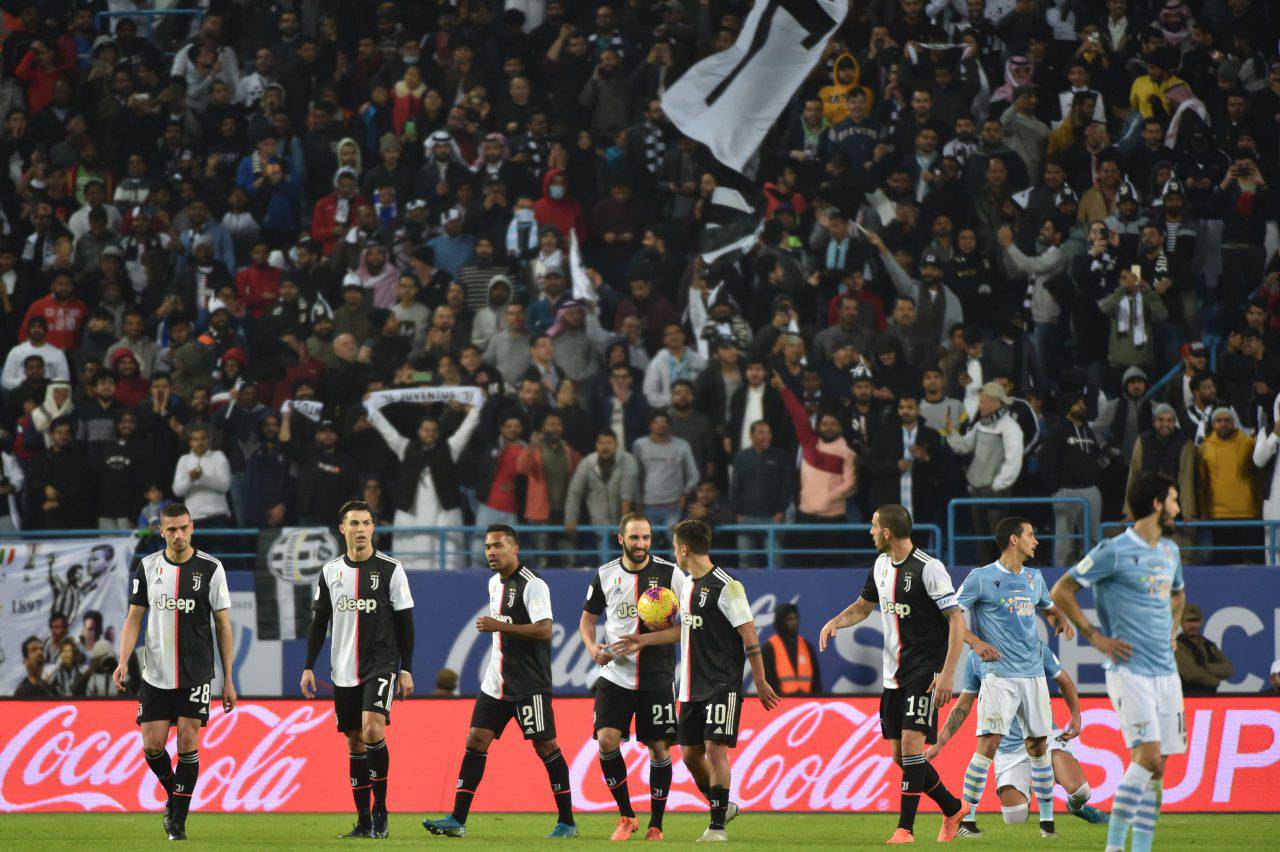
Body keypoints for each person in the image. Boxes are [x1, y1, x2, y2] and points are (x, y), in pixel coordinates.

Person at [611, 519, 780, 842]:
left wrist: (759, 680)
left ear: (684, 549)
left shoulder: (728, 586)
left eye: (675, 546)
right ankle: (723, 805)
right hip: (689, 687)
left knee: (716, 750)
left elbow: (750, 636)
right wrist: (642, 641)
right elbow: (683, 632)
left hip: (722, 685)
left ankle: (716, 825)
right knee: (690, 755)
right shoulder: (687, 586)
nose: (674, 552)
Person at [1051, 472, 1187, 852]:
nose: (1178, 508)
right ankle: (1114, 848)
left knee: (1158, 769)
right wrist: (1095, 636)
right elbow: (1061, 590)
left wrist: (1173, 630)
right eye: (1174, 500)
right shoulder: (1113, 550)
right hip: (1129, 670)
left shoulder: (1170, 553)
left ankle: (1140, 848)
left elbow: (1177, 596)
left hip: (1166, 672)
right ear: (1157, 504)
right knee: (1146, 759)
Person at [817, 504, 967, 844]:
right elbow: (862, 606)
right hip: (893, 675)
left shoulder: (930, 569)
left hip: (925, 670)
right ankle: (953, 807)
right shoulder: (881, 565)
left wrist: (946, 673)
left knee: (913, 747)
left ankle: (905, 829)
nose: (870, 531)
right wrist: (834, 622)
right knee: (901, 757)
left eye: (873, 526)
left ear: (887, 532)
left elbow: (956, 619)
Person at [424, 525, 577, 838]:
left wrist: (499, 626)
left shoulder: (534, 586)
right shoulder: (494, 584)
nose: (491, 552)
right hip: (496, 682)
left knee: (545, 745)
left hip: (529, 683)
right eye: (487, 547)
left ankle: (567, 822)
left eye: (498, 546)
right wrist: (500, 628)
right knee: (475, 740)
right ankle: (457, 819)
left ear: (515, 548)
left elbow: (545, 630)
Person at [113, 504, 236, 841]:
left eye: (183, 528)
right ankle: (175, 798)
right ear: (161, 531)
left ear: (192, 527)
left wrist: (228, 677)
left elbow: (223, 625)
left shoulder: (211, 568)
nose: (178, 535)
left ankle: (177, 821)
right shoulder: (148, 566)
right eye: (171, 530)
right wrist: (123, 660)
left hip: (196, 673)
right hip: (155, 672)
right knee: (152, 745)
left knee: (186, 738)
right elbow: (133, 618)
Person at [953, 517, 1076, 838]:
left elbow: (1048, 608)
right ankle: (965, 819)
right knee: (989, 743)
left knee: (1037, 745)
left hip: (1033, 676)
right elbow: (952, 617)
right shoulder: (981, 578)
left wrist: (1059, 620)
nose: (1036, 541)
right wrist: (976, 642)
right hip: (999, 676)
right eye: (1031, 535)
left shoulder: (1035, 578)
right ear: (1013, 540)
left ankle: (1047, 825)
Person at [301, 500, 415, 839]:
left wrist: (405, 669)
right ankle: (364, 821)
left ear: (373, 528)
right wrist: (308, 666)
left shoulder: (391, 569)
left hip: (380, 663)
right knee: (354, 742)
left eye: (366, 523)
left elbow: (405, 623)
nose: (361, 529)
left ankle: (381, 810)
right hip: (343, 669)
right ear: (343, 529)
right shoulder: (330, 572)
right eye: (354, 524)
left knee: (372, 730)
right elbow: (319, 622)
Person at [579, 514, 686, 841]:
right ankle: (626, 816)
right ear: (620, 539)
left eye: (646, 538)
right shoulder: (605, 575)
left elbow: (687, 629)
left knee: (658, 747)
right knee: (607, 740)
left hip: (656, 676)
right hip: (614, 676)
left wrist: (644, 640)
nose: (641, 544)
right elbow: (587, 621)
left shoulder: (671, 575)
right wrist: (591, 647)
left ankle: (656, 824)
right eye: (635, 538)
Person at [928, 644, 1109, 835]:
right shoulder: (976, 657)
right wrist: (939, 743)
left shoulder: (1035, 647)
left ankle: (1076, 807)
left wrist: (1076, 714)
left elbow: (1064, 680)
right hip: (1009, 750)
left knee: (1081, 792)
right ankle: (1026, 787)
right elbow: (963, 706)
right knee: (1015, 817)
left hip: (1044, 738)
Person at [367, 395, 480, 570]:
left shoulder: (450, 448)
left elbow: (466, 429)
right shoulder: (405, 447)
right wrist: (371, 409)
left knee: (445, 559)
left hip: (443, 514)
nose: (430, 434)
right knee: (412, 559)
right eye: (426, 430)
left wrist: (476, 408)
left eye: (434, 430)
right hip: (412, 514)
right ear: (419, 431)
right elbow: (387, 431)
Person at [1174, 603, 1234, 695]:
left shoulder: (1209, 645)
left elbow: (1229, 669)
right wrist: (1215, 681)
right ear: (1181, 622)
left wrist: (1206, 666)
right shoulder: (1177, 645)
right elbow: (1191, 674)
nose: (1193, 625)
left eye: (1196, 621)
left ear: (1201, 621)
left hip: (1210, 699)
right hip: (1187, 699)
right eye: (1189, 621)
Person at [762, 603, 821, 696]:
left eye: (796, 618)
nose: (794, 622)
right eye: (789, 619)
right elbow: (767, 680)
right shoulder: (769, 648)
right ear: (780, 622)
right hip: (781, 703)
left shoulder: (807, 646)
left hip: (807, 702)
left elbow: (816, 681)